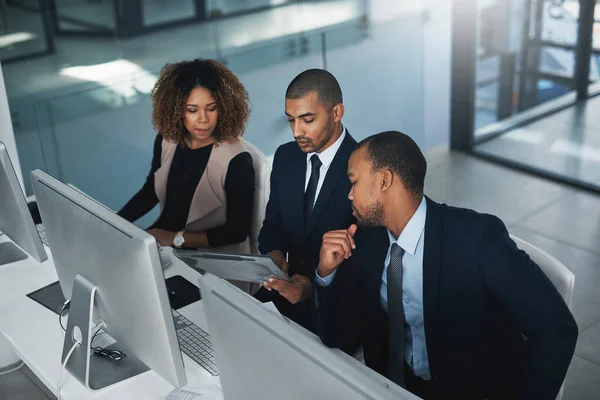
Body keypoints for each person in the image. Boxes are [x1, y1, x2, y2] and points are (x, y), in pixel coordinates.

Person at [312, 131, 578, 399]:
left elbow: (557, 329)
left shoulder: (477, 240)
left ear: (384, 180)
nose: (349, 195)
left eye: (354, 182)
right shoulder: (366, 241)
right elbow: (337, 337)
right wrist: (326, 273)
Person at [118, 58, 255, 262]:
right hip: (163, 244)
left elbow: (236, 231)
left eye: (211, 108)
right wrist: (115, 223)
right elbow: (151, 191)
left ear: (225, 107)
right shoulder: (167, 140)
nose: (203, 119)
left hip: (210, 260)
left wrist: (175, 239)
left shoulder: (237, 160)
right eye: (192, 110)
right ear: (176, 110)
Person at [256, 69, 357, 330]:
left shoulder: (363, 170)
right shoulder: (286, 157)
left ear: (337, 113)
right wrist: (274, 255)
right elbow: (272, 223)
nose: (296, 131)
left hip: (335, 307)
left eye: (307, 119)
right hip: (281, 294)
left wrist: (312, 286)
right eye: (291, 120)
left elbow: (369, 260)